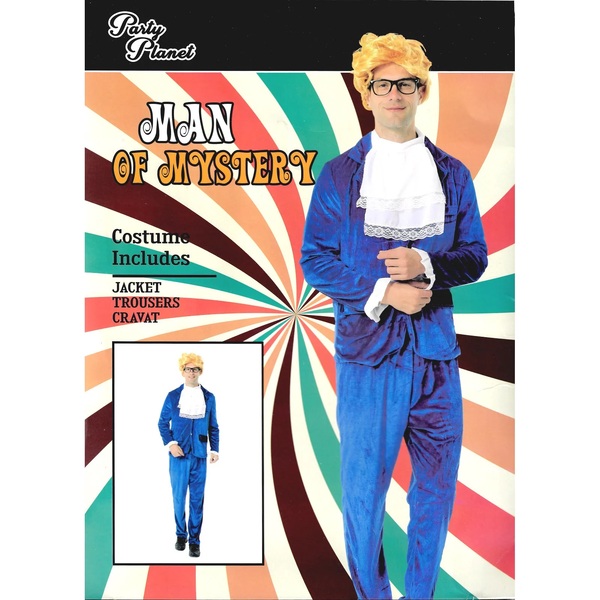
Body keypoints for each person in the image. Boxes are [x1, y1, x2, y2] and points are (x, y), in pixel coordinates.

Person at [300, 32, 488, 599]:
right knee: (363, 493)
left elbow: (474, 256)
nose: (395, 94)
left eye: (406, 83)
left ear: (421, 92)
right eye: (382, 85)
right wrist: (382, 289)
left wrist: (427, 266)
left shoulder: (452, 174)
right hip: (368, 359)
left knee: (436, 491)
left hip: (436, 358)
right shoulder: (339, 175)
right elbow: (315, 260)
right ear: (366, 93)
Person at [158, 352, 220, 558]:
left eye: (195, 369)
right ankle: (180, 535)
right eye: (188, 369)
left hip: (199, 456)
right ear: (182, 371)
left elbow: (213, 426)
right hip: (178, 456)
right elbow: (162, 423)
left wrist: (214, 449)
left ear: (200, 371)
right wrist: (171, 444)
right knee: (178, 498)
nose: (191, 372)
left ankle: (194, 541)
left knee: (197, 500)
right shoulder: (172, 396)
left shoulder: (209, 397)